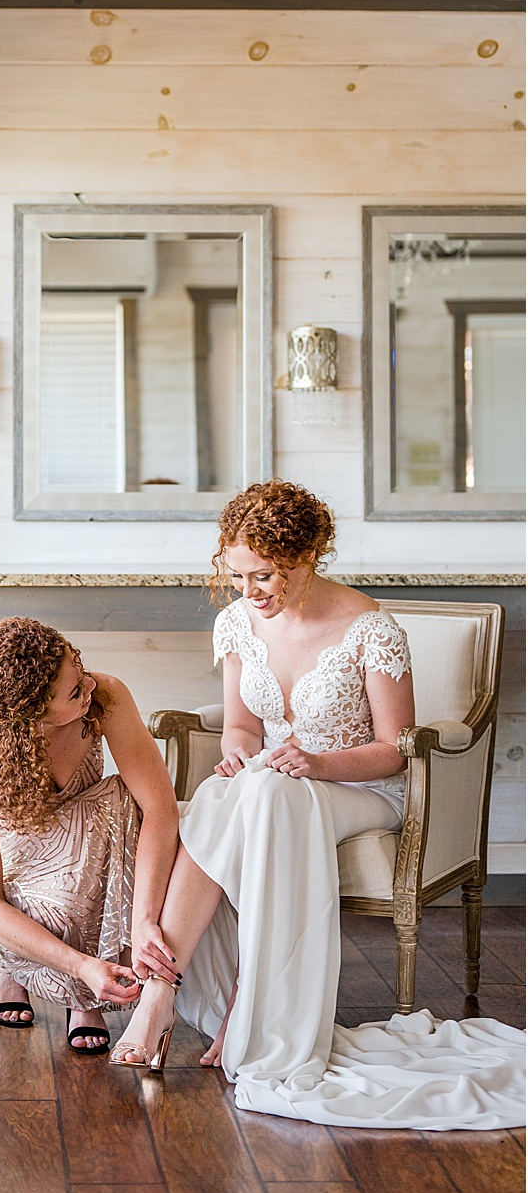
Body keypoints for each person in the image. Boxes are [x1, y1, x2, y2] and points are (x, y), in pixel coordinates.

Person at [109, 480, 525, 1128]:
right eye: (238, 574)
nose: (251, 591)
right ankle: (164, 992)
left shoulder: (371, 629)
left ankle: (220, 1002)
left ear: (306, 558)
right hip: (275, 784)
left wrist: (315, 763)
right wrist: (240, 754)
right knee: (232, 791)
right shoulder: (238, 624)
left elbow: (394, 749)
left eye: (266, 575)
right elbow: (245, 728)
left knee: (255, 796)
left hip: (357, 788)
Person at [0, 617, 182, 1055]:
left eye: (79, 666)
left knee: (122, 803)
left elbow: (160, 808)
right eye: (74, 692)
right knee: (58, 908)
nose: (88, 684)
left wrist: (144, 920)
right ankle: (19, 961)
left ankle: (82, 997)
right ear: (29, 714)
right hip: (18, 851)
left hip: (92, 829)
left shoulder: (103, 695)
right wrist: (82, 965)